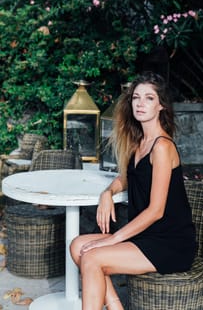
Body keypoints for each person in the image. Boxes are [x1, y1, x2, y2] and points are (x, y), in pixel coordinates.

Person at [70, 71, 196, 310]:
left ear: (161, 106)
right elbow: (126, 179)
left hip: (170, 242)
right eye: (136, 97)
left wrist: (114, 240)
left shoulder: (162, 147)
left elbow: (156, 211)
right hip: (146, 237)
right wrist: (107, 192)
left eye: (149, 98)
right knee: (77, 246)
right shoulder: (139, 143)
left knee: (92, 258)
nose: (140, 103)